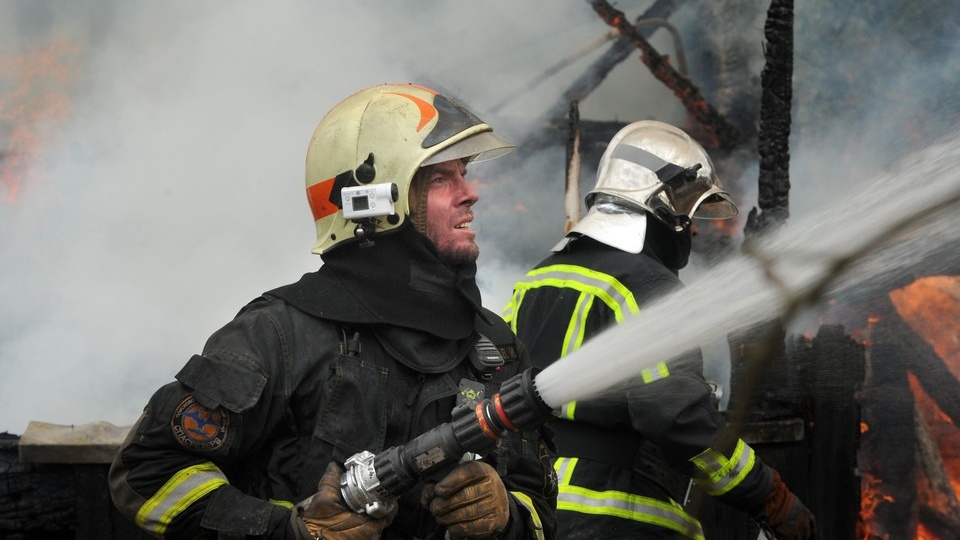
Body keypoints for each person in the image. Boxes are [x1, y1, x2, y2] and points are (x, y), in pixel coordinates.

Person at [109, 83, 557, 540]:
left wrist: (506, 516)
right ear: (376, 202)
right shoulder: (279, 335)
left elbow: (541, 506)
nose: (470, 194)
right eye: (441, 178)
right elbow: (148, 475)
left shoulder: (494, 348)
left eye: (463, 173)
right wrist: (290, 532)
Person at [502, 120, 816, 539]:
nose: (696, 227)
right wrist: (767, 494)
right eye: (689, 211)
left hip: (528, 508)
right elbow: (677, 418)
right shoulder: (648, 286)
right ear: (661, 205)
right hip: (615, 516)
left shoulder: (536, 278)